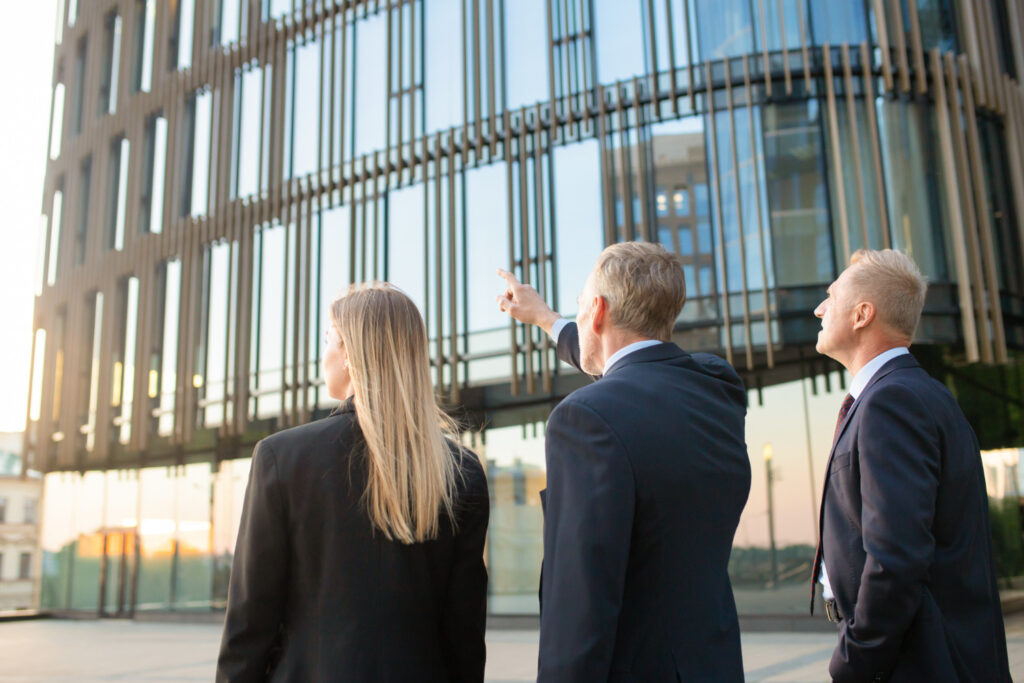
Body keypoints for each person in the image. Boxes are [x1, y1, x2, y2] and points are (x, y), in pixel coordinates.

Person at [496, 241, 751, 682]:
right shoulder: (718, 387)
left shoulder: (584, 419)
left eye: (579, 306)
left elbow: (578, 607)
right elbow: (628, 369)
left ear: (597, 311)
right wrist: (546, 318)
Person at [217, 282, 489, 683]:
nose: (322, 355)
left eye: (327, 339)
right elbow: (464, 635)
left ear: (348, 353)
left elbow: (249, 625)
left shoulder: (281, 458)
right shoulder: (460, 470)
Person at [811, 249, 1010, 682]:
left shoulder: (891, 402)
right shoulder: (917, 394)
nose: (819, 309)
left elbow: (895, 558)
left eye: (831, 296)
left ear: (863, 314)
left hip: (919, 662)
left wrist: (854, 660)